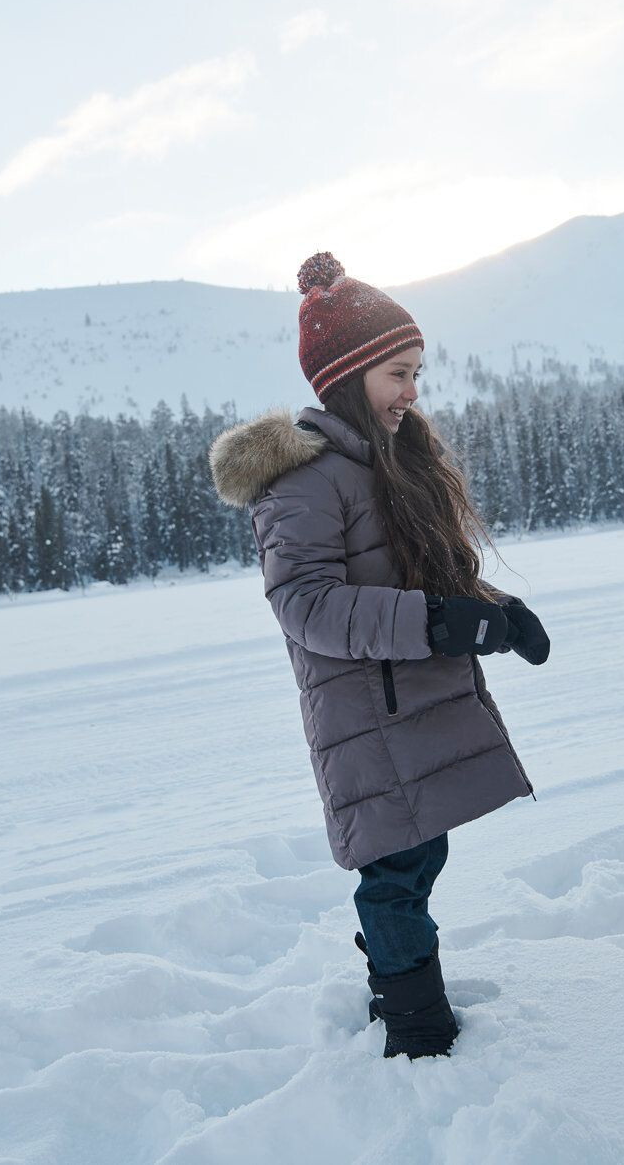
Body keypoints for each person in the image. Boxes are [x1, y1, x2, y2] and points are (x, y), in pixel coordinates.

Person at [209, 251, 550, 1061]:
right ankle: (416, 1028)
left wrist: (495, 611)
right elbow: (308, 606)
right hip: (369, 711)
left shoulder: (383, 466)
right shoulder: (303, 482)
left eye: (417, 373)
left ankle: (394, 990)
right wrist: (443, 624)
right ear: (349, 373)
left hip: (407, 698)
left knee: (416, 855)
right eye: (398, 373)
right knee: (395, 871)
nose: (412, 391)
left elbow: (421, 579)